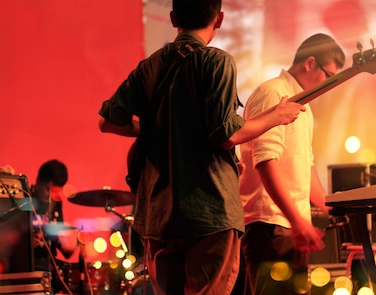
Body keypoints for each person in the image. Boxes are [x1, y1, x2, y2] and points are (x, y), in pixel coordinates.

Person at [97, 0, 306, 294]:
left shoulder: (149, 66)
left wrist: (157, 128)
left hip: (159, 216)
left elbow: (109, 122)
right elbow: (226, 134)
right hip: (210, 213)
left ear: (172, 18)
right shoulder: (217, 62)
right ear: (219, 19)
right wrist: (276, 116)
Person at [238, 33, 345, 295]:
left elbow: (304, 168)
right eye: (328, 75)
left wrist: (334, 207)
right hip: (270, 225)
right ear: (310, 63)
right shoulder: (273, 93)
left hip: (288, 225)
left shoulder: (301, 104)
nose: (329, 85)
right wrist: (297, 220)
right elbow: (265, 161)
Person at [0, 160, 77, 293]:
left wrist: (67, 241)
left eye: (56, 192)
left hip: (47, 274)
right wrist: (26, 241)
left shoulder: (55, 204)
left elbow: (64, 248)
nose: (50, 196)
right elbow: (5, 237)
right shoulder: (22, 197)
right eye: (48, 190)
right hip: (23, 272)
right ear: (38, 181)